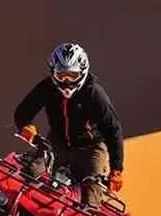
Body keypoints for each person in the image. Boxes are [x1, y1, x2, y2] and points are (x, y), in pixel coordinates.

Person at [13, 42, 124, 206]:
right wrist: (26, 127)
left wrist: (116, 169)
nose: (66, 81)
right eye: (61, 75)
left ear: (82, 73)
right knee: (30, 173)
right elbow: (22, 112)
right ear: (53, 73)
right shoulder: (47, 88)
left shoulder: (94, 94)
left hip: (91, 148)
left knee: (91, 197)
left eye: (72, 75)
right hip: (55, 144)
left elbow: (113, 130)